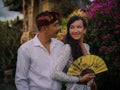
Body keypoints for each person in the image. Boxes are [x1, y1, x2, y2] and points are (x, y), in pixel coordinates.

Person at [15, 11, 65, 90]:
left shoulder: (60, 45)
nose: (58, 28)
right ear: (44, 29)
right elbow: (21, 80)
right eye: (55, 25)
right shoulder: (25, 49)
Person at [52, 15, 96, 90]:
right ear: (69, 30)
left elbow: (88, 70)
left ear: (84, 30)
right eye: (72, 27)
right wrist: (79, 79)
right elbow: (55, 73)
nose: (75, 31)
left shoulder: (86, 46)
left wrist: (92, 82)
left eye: (79, 27)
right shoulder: (68, 48)